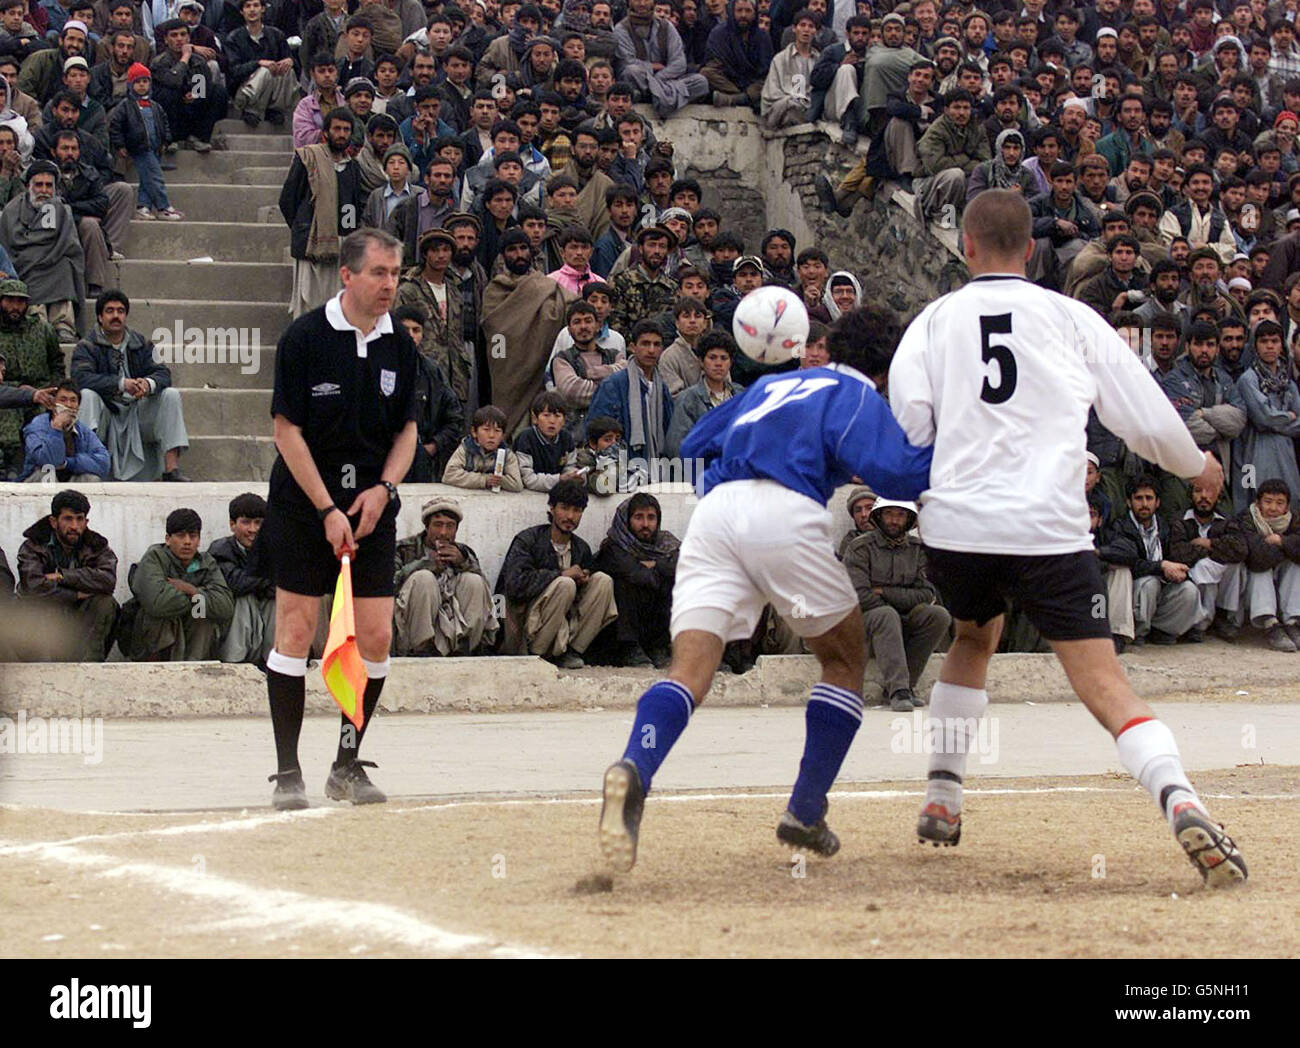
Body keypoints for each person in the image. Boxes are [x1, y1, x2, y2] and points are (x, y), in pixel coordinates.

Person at [887, 189, 1246, 886]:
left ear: (966, 245)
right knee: (1103, 682)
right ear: (1030, 249)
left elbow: (911, 427)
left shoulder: (932, 321)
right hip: (1047, 527)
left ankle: (943, 793)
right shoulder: (1070, 316)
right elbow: (1141, 414)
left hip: (961, 525)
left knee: (971, 637)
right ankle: (1179, 798)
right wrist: (1196, 462)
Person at [597, 302, 933, 872]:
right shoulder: (855, 395)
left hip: (715, 512)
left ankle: (635, 768)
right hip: (783, 511)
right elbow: (900, 476)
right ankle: (804, 809)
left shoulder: (773, 386)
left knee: (690, 669)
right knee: (845, 658)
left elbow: (693, 442)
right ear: (884, 371)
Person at [260, 228, 419, 811]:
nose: (389, 285)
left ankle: (346, 766)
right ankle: (287, 772)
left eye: (396, 274)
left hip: (371, 512)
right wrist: (327, 507)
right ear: (346, 276)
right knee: (297, 634)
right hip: (306, 508)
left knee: (374, 638)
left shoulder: (400, 343)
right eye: (379, 273)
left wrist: (384, 489)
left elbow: (408, 431)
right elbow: (286, 432)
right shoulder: (304, 337)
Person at [843, 498, 951, 711]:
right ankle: (898, 691)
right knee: (885, 615)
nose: (894, 520)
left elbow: (927, 593)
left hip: (903, 619)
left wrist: (884, 591)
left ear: (909, 519)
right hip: (864, 623)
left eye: (900, 515)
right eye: (889, 514)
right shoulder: (860, 548)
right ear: (879, 517)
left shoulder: (919, 550)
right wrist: (898, 601)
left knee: (938, 615)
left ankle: (905, 687)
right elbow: (859, 595)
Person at [495, 477, 617, 666]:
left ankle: (571, 651)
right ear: (552, 508)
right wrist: (560, 575)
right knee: (564, 584)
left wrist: (582, 579)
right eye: (564, 508)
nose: (570, 516)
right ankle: (538, 654)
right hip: (527, 625)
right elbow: (514, 586)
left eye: (577, 510)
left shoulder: (580, 548)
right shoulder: (528, 540)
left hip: (563, 624)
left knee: (603, 581)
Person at [71, 289, 190, 481]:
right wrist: (120, 384)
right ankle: (87, 466)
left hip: (137, 411)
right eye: (110, 311)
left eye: (120, 311)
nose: (116, 316)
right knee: (87, 395)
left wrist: (147, 384)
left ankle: (171, 470)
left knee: (170, 395)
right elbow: (80, 378)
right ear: (100, 317)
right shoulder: (87, 346)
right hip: (107, 413)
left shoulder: (141, 343)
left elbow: (163, 373)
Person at [480, 227, 573, 433]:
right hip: (507, 374)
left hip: (541, 370)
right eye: (512, 249)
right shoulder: (494, 291)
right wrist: (503, 364)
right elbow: (495, 331)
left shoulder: (547, 286)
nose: (519, 254)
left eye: (523, 248)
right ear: (503, 255)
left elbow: (571, 307)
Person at [279, 107, 366, 318]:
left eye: (346, 130)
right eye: (337, 129)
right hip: (310, 244)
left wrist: (345, 236)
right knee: (308, 307)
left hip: (339, 246)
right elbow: (288, 200)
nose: (342, 134)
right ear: (326, 132)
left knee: (335, 305)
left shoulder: (352, 167)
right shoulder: (308, 158)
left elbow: (351, 208)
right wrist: (306, 227)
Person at [14, 486, 118, 661]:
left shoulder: (97, 546)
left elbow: (107, 580)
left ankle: (90, 669)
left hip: (79, 622)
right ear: (54, 522)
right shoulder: (33, 545)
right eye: (68, 519)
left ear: (86, 522)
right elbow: (32, 587)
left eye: (79, 519)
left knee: (106, 603)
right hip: (44, 624)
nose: (74, 526)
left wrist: (63, 576)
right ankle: (42, 671)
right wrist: (76, 594)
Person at [122, 507, 234, 661]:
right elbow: (158, 603)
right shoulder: (154, 558)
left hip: (191, 633)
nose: (187, 542)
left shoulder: (206, 562)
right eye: (181, 536)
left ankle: (194, 670)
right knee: (165, 615)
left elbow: (226, 606)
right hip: (154, 638)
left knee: (201, 614)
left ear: (199, 540)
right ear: (168, 539)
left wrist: (192, 590)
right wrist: (200, 595)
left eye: (193, 536)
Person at [393, 494, 498, 656]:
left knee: (474, 581)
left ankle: (464, 649)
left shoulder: (464, 552)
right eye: (437, 525)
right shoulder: (403, 549)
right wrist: (427, 564)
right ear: (427, 527)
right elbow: (390, 584)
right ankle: (422, 650)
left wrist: (463, 563)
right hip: (413, 629)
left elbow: (484, 592)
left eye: (450, 526)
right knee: (424, 579)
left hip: (452, 623)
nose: (443, 532)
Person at [0, 160, 85, 340]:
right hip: (24, 264)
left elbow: (70, 244)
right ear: (29, 186)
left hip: (55, 260)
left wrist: (50, 256)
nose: (44, 190)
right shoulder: (11, 210)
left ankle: (63, 324)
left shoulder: (62, 209)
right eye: (39, 185)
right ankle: (38, 322)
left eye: (48, 185)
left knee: (65, 266)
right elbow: (7, 246)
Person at [595, 491, 678, 667]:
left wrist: (655, 565)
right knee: (627, 583)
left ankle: (659, 648)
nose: (646, 524)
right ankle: (630, 649)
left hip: (654, 626)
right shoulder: (614, 546)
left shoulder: (666, 543)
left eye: (651, 518)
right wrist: (661, 569)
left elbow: (686, 565)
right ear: (627, 519)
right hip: (618, 634)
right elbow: (637, 574)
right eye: (639, 517)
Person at [1168, 475, 1248, 642]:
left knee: (1236, 566)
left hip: (1220, 582)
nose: (1204, 496)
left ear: (1218, 495)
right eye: (1198, 491)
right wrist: (1217, 550)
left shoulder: (1227, 520)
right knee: (1204, 567)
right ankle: (1199, 624)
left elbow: (1240, 549)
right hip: (1192, 581)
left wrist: (1208, 543)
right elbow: (1178, 553)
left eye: (1210, 491)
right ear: (1191, 495)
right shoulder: (1180, 521)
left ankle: (1224, 617)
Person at [109, 64, 184, 221]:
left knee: (146, 179)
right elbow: (115, 127)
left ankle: (143, 207)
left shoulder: (155, 106)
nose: (142, 85)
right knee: (156, 177)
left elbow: (164, 124)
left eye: (145, 81)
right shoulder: (125, 106)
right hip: (139, 148)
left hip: (155, 148)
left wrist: (165, 140)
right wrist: (120, 145)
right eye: (138, 82)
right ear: (130, 85)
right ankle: (164, 207)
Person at [210, 492, 277, 666]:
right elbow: (235, 584)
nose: (252, 529)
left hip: (265, 615)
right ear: (233, 525)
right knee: (243, 599)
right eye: (246, 522)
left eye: (258, 523)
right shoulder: (221, 550)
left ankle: (275, 662)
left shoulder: (275, 549)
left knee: (276, 601)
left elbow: (284, 584)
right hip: (236, 620)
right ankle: (235, 662)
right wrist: (267, 577)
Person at [613, 0, 707, 118]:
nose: (642, 4)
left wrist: (658, 79)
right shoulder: (621, 28)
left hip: (665, 81)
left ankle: (651, 96)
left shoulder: (667, 27)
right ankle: (663, 98)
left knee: (701, 82)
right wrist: (653, 67)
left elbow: (679, 63)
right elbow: (628, 61)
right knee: (631, 71)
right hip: (642, 79)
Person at [1237, 477, 1300, 649]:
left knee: (1295, 566)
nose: (1273, 508)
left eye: (1280, 503)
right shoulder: (1247, 519)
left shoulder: (1294, 519)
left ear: (1287, 507)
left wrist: (1281, 541)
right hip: (1252, 581)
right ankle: (1270, 624)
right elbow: (1257, 556)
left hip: (1280, 574)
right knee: (1261, 568)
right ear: (1258, 503)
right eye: (1268, 501)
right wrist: (1289, 547)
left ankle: (1293, 622)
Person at [663, 327, 741, 456]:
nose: (718, 364)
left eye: (724, 358)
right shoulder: (688, 400)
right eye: (712, 358)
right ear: (701, 361)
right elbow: (676, 448)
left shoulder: (740, 395)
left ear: (730, 362)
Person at [19, 377, 108, 481]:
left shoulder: (83, 430)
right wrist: (57, 427)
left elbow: (103, 463)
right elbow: (50, 462)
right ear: (52, 404)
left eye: (73, 400)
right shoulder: (37, 426)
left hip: (70, 479)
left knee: (90, 478)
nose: (68, 405)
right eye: (63, 400)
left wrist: (68, 463)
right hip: (37, 480)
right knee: (46, 476)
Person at [225, 0, 297, 128]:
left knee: (287, 70)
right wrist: (258, 64)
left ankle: (275, 110)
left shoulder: (276, 34)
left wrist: (290, 61)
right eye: (248, 6)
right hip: (245, 92)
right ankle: (251, 110)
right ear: (242, 11)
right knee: (265, 70)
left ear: (263, 9)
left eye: (256, 5)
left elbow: (292, 63)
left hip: (273, 90)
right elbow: (233, 71)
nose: (252, 10)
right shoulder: (234, 38)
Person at [442, 403, 525, 490]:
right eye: (486, 430)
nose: (492, 435)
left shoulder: (507, 455)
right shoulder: (466, 449)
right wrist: (484, 480)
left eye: (497, 431)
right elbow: (449, 475)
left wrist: (498, 480)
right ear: (474, 432)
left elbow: (517, 484)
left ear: (503, 436)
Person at [514, 389, 580, 491]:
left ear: (564, 420)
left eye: (557, 416)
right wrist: (559, 479)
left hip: (559, 490)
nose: (552, 421)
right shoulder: (526, 438)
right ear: (535, 418)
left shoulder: (566, 438)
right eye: (546, 415)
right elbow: (528, 479)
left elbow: (570, 466)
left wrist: (573, 476)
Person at [836, 484, 875, 558]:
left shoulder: (897, 538)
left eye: (869, 508)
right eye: (858, 510)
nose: (863, 514)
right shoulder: (850, 543)